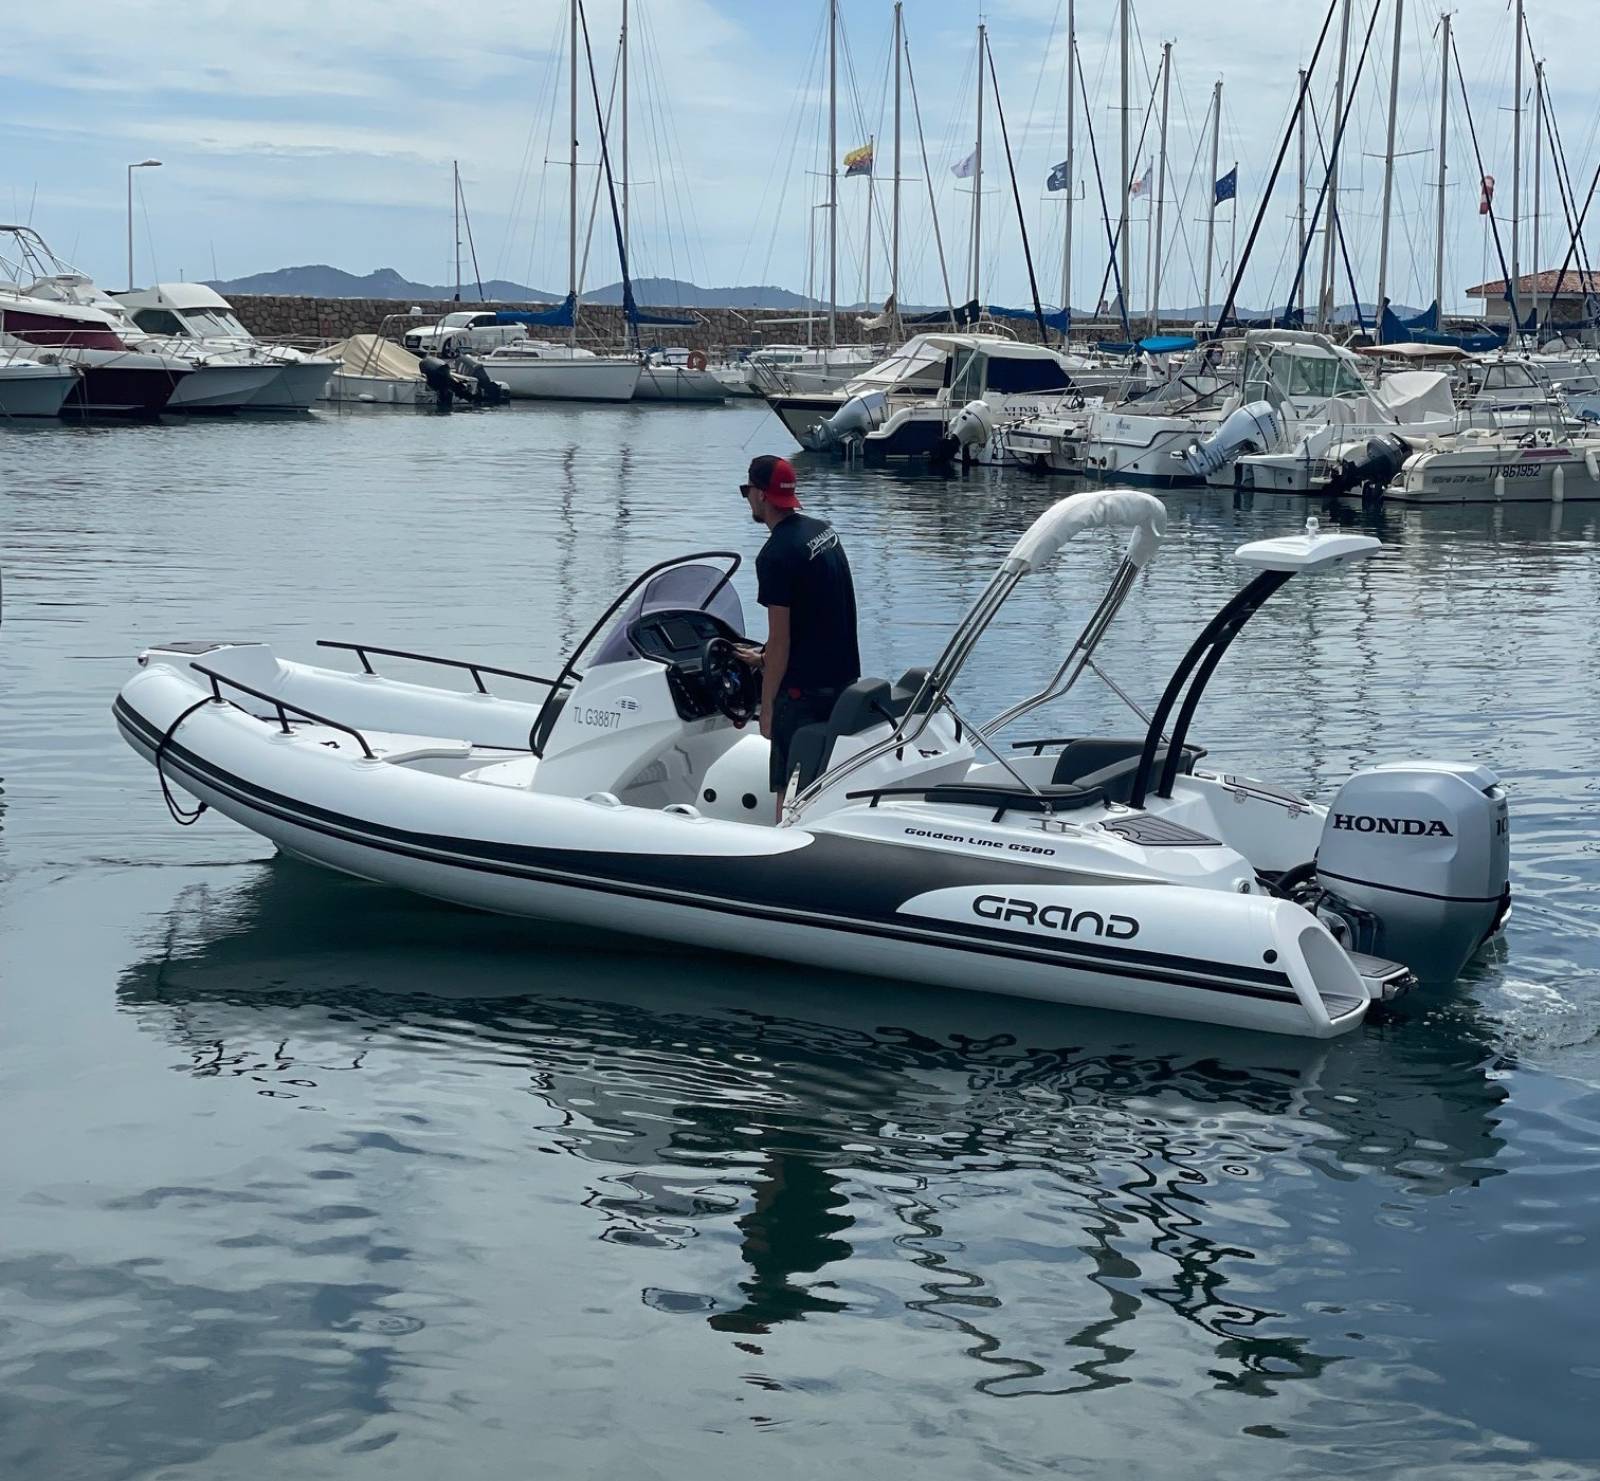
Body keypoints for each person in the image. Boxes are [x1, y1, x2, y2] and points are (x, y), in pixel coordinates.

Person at [738, 455, 860, 818]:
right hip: (841, 684)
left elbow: (781, 641)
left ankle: (783, 849)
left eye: (746, 490)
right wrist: (760, 656)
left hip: (802, 694)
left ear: (760, 494)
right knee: (820, 781)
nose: (747, 498)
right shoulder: (823, 531)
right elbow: (820, 612)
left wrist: (768, 706)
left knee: (788, 791)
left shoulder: (776, 555)